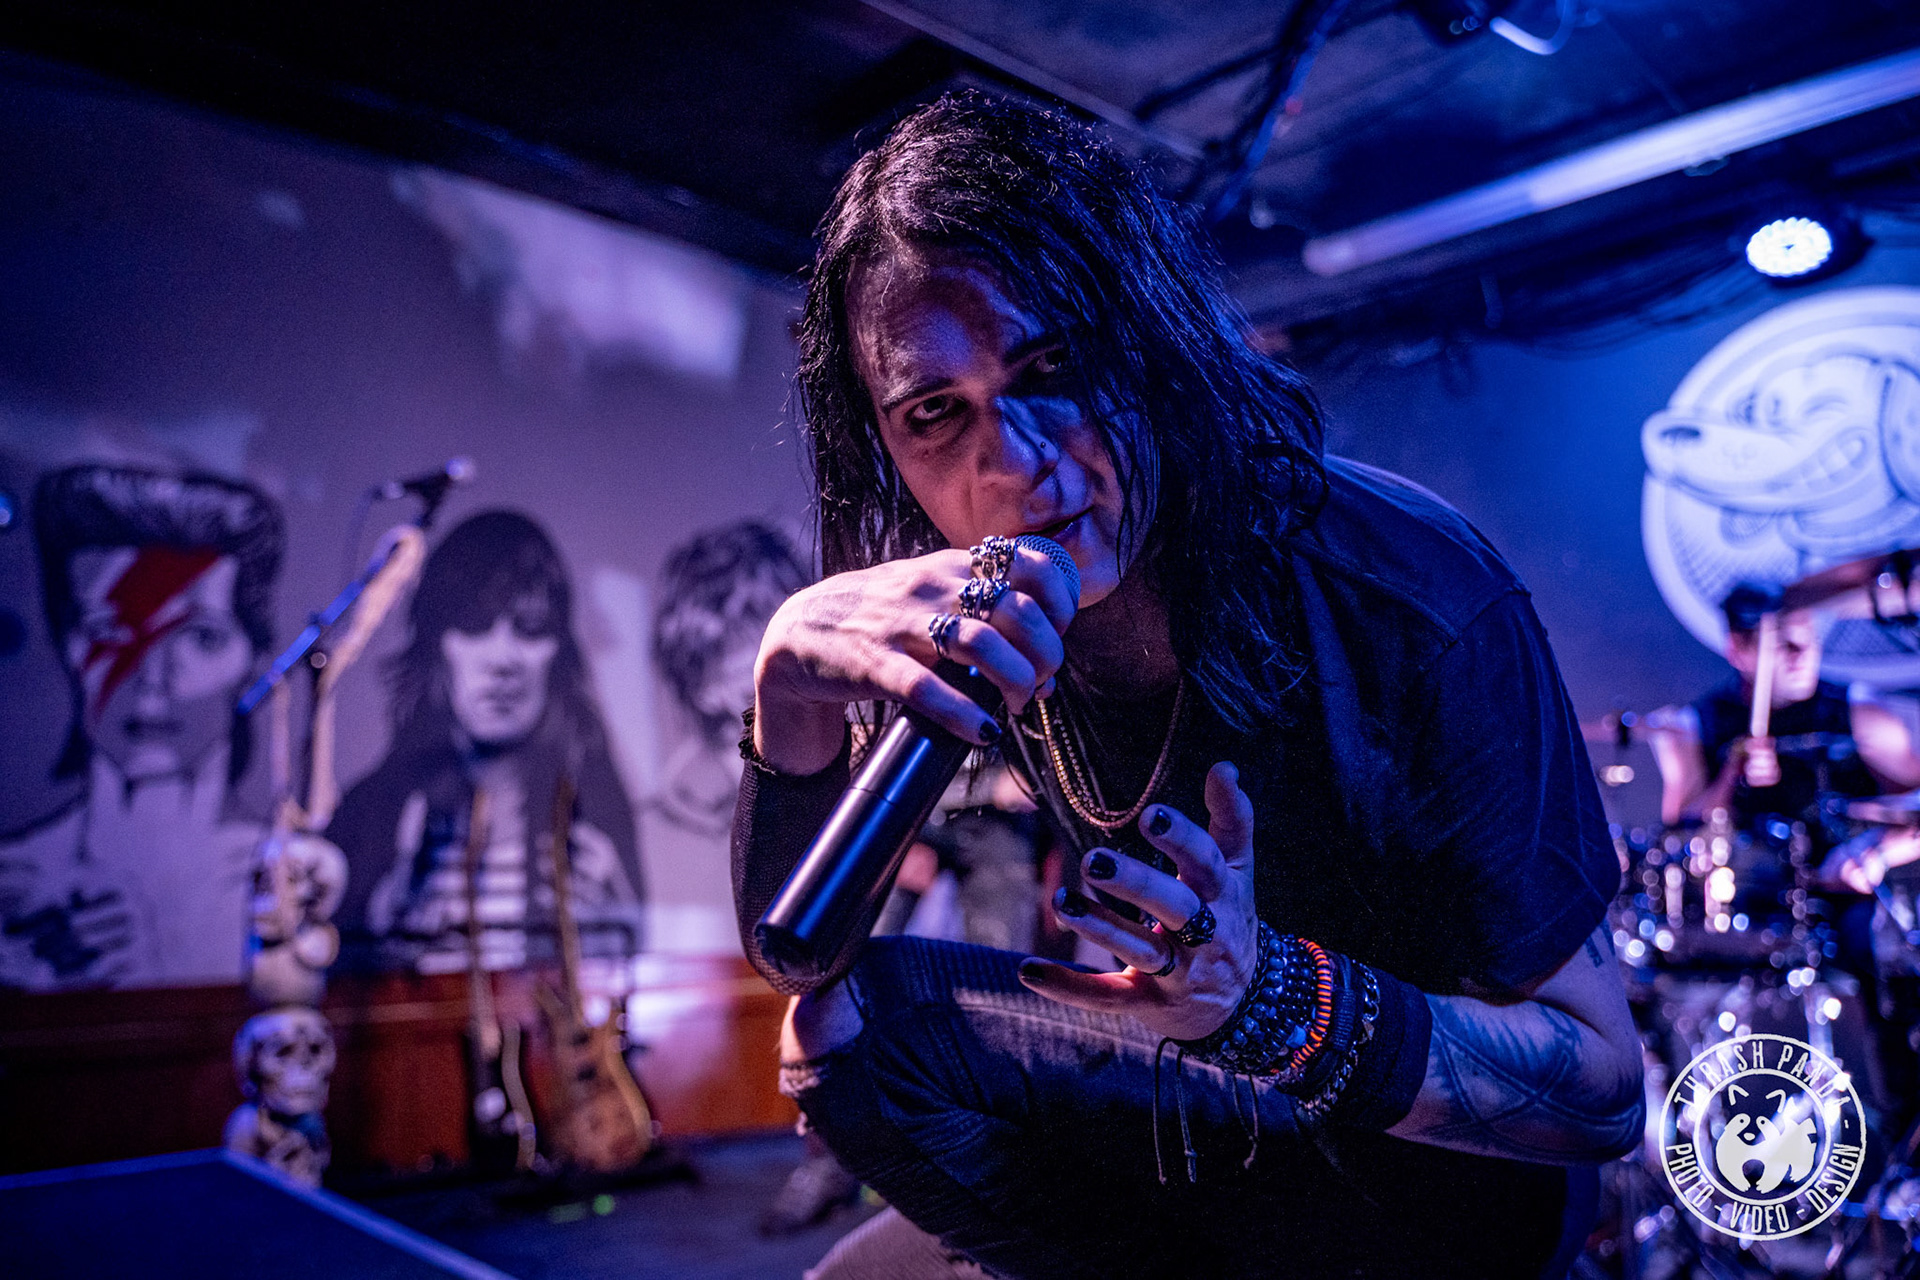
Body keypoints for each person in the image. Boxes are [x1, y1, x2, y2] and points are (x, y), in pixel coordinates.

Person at [732, 94, 1641, 1278]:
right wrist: (788, 682)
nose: (1012, 463)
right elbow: (802, 958)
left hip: (1447, 1195)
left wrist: (1270, 1001)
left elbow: (1603, 1090)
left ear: (1148, 341)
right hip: (1215, 1117)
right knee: (847, 1032)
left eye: (1053, 365)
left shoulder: (1410, 592)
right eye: (935, 412)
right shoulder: (1002, 607)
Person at [1, 464, 282, 989]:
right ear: (67, 643)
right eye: (113, 632)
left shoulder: (288, 887)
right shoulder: (14, 885)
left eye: (200, 637)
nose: (152, 679)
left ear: (256, 657)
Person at [331, 510, 643, 975]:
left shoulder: (598, 813)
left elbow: (639, 976)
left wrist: (614, 927)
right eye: (475, 624)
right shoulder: (373, 814)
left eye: (530, 627)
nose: (503, 659)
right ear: (437, 646)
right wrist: (379, 942)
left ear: (558, 652)